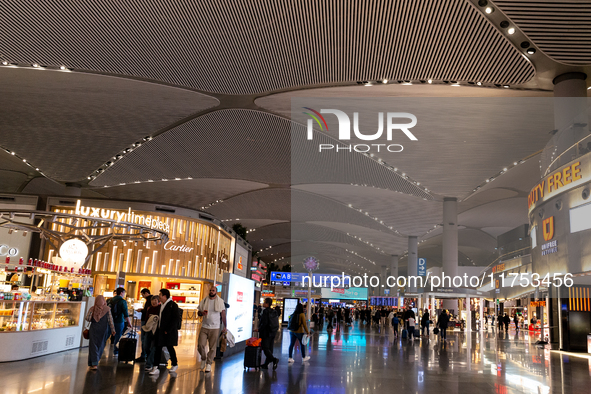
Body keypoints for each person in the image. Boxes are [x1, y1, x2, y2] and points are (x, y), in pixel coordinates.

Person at [196, 286, 227, 372]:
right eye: (210, 290)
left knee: (212, 347)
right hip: (204, 326)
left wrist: (225, 326)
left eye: (213, 290)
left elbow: (223, 314)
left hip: (215, 327)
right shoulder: (205, 300)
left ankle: (209, 363)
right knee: (200, 345)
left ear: (216, 292)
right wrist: (201, 313)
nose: (211, 291)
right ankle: (203, 358)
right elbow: (198, 312)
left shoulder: (220, 301)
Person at [149, 289, 180, 375]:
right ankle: (156, 367)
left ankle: (174, 363)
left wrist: (168, 330)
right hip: (161, 331)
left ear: (165, 296)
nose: (159, 297)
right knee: (158, 348)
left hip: (168, 332)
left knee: (170, 347)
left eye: (160, 295)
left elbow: (175, 319)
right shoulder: (161, 305)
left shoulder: (172, 305)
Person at [86, 295, 116, 370]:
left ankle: (93, 363)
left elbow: (88, 319)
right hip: (103, 330)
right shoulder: (107, 309)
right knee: (101, 345)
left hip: (93, 329)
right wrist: (113, 330)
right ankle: (96, 361)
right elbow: (110, 320)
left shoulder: (92, 309)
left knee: (93, 345)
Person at [256, 297, 279, 370]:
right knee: (270, 348)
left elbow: (264, 323)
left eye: (264, 302)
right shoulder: (274, 311)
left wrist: (259, 329)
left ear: (268, 304)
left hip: (266, 333)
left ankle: (274, 359)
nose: (263, 303)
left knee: (265, 347)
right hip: (272, 332)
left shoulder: (265, 311)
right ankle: (266, 364)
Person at [108, 287, 131, 356]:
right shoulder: (123, 301)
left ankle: (101, 349)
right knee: (118, 335)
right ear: (121, 293)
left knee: (107, 334)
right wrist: (129, 323)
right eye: (124, 293)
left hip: (109, 320)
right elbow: (125, 313)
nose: (124, 294)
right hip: (119, 320)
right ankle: (116, 351)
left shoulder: (109, 300)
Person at [143, 295, 161, 371]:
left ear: (158, 301)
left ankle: (149, 363)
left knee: (153, 347)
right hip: (148, 329)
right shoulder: (149, 308)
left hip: (156, 330)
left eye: (155, 300)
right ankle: (150, 359)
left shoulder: (160, 309)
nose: (154, 302)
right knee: (145, 346)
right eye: (152, 300)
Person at [136, 288, 151, 362]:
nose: (142, 296)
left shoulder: (149, 300)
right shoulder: (149, 300)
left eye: (142, 294)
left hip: (145, 321)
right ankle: (145, 355)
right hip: (147, 321)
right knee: (145, 339)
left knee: (144, 339)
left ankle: (143, 355)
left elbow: (147, 310)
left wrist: (141, 310)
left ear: (146, 293)